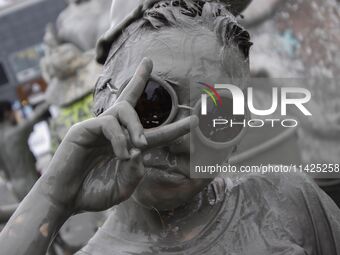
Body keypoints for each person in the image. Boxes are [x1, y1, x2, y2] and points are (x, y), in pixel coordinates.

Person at [1, 1, 340, 254]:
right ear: (102, 100)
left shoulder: (286, 202)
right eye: (153, 102)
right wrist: (53, 197)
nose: (181, 136)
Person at [0, 101, 49, 200]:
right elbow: (35, 116)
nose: (15, 114)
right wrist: (51, 98)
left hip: (15, 187)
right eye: (13, 111)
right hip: (30, 181)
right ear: (7, 113)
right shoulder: (15, 133)